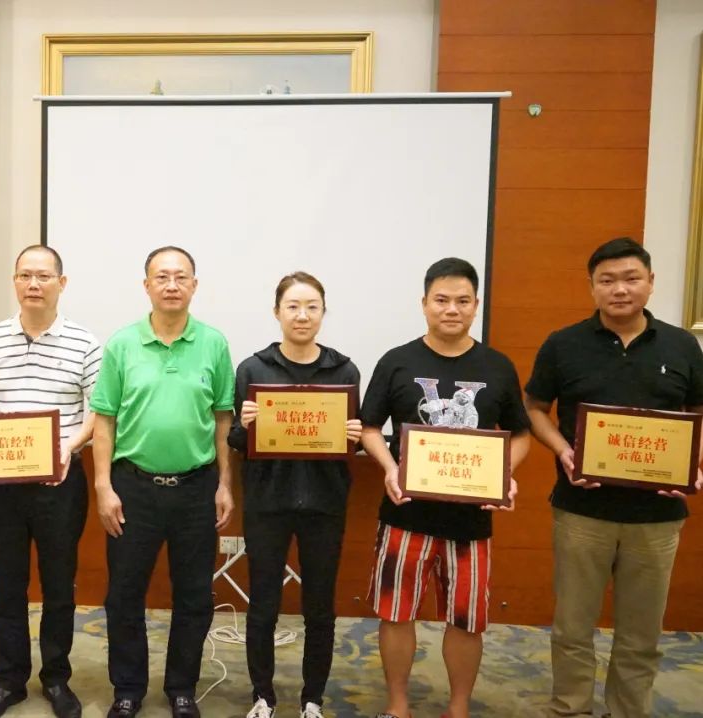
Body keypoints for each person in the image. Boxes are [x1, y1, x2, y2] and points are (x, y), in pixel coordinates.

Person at [524, 237, 703, 718]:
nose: (619, 289)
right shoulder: (563, 344)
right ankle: (570, 708)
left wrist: (692, 461)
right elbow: (534, 408)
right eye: (607, 280)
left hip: (657, 515)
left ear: (650, 282)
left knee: (641, 635)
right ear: (592, 287)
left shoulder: (682, 345)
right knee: (572, 628)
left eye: (630, 278)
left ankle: (628, 711)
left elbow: (697, 412)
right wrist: (563, 451)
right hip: (582, 510)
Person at [360, 257, 530, 718]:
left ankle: (458, 708)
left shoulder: (497, 365)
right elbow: (370, 427)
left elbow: (520, 434)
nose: (451, 309)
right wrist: (390, 468)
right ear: (424, 304)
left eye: (462, 301)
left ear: (476, 305)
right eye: (441, 300)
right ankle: (398, 705)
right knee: (396, 613)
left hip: (470, 521)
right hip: (405, 514)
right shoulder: (396, 361)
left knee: (467, 620)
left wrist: (504, 474)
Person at [90, 246, 235, 718]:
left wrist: (225, 484)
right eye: (162, 277)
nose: (172, 285)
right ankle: (127, 689)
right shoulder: (122, 344)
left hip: (196, 488)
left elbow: (223, 419)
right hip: (133, 488)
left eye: (181, 277)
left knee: (193, 596)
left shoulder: (213, 343)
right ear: (146, 285)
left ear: (194, 285)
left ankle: (181, 688)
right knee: (124, 595)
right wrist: (103, 486)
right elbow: (104, 420)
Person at [0, 245, 101, 718]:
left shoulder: (85, 343)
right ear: (15, 281)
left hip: (60, 484)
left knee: (59, 586)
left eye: (43, 276)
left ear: (61, 283)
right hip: (2, 486)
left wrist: (67, 448)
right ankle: (10, 679)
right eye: (25, 275)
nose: (34, 284)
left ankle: (56, 678)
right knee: (6, 586)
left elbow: (97, 414)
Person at [228, 272, 362, 718]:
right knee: (263, 604)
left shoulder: (344, 370)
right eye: (292, 306)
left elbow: (350, 441)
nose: (302, 315)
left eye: (311, 307)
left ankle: (312, 699)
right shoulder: (253, 369)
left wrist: (354, 435)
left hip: (325, 504)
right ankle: (262, 696)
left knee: (320, 607)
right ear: (277, 312)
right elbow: (235, 439)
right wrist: (245, 426)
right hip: (268, 502)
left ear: (323, 312)